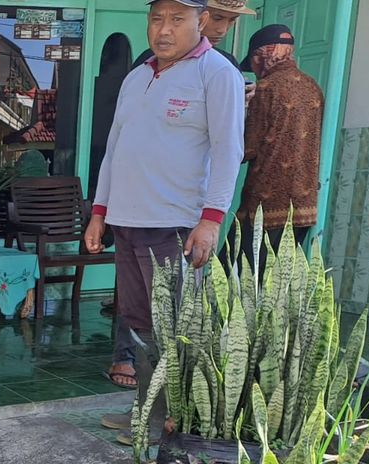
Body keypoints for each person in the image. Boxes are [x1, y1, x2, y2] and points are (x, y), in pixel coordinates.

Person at [85, 0, 245, 440]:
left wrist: (211, 219)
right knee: (138, 322)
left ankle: (167, 421)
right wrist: (99, 212)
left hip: (174, 225)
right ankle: (145, 411)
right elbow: (113, 150)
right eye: (157, 19)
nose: (164, 30)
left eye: (177, 19)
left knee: (173, 326)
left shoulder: (217, 73)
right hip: (126, 221)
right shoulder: (137, 77)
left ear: (201, 21)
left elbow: (228, 151)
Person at [236, 24, 324, 261]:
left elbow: (247, 148)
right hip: (304, 206)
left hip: (265, 205)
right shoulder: (313, 88)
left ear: (259, 57)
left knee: (238, 274)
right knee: (278, 277)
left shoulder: (266, 88)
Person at [131, 0, 254, 70]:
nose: (222, 30)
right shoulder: (150, 61)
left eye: (232, 20)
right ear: (201, 18)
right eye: (217, 18)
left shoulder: (227, 65)